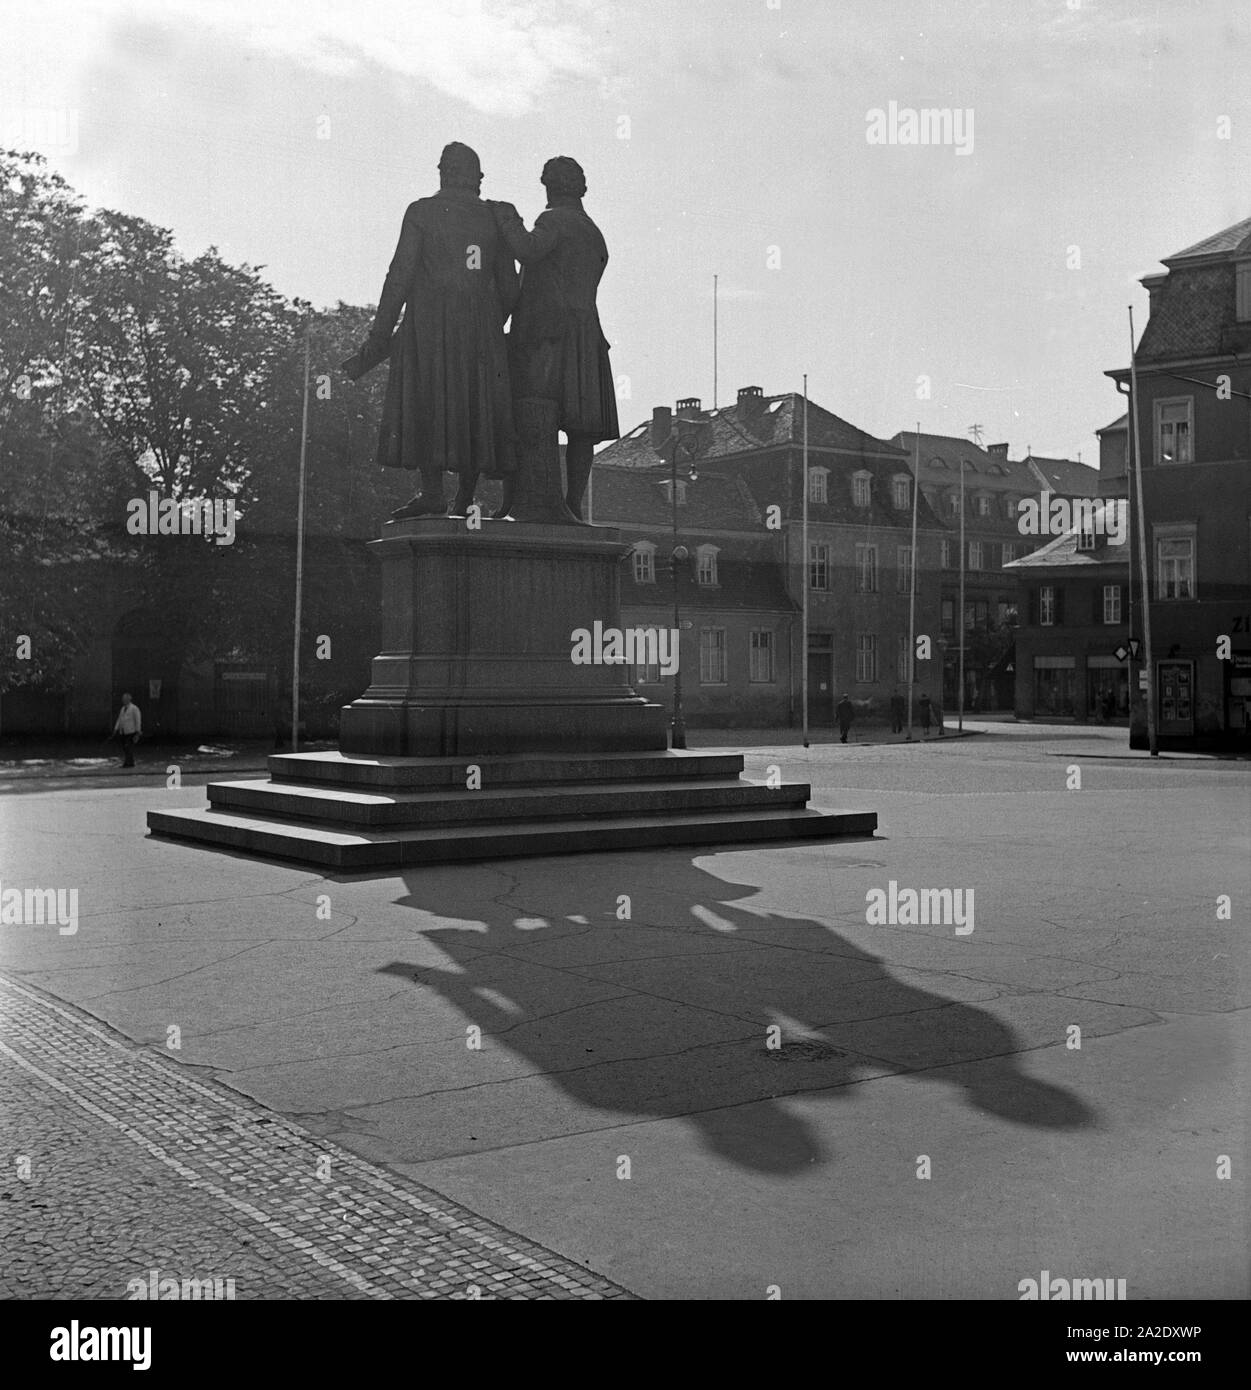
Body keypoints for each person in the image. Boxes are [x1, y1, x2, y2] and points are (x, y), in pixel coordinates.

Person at [345, 142, 519, 518]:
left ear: (442, 171)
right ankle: (464, 498)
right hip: (481, 327)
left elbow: (399, 277)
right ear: (478, 178)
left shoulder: (422, 211)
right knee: (473, 404)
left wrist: (378, 341)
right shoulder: (495, 218)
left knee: (430, 400)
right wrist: (489, 323)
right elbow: (509, 287)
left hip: (427, 325)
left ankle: (433, 492)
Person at [489, 156, 620, 521]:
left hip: (548, 336)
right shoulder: (593, 232)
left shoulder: (554, 220)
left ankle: (513, 501)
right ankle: (573, 504)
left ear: (549, 187)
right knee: (582, 427)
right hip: (586, 334)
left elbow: (527, 249)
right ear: (582, 188)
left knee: (529, 412)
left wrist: (507, 217)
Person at [112, 692, 142, 767]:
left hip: (131, 731)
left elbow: (138, 720)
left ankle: (129, 763)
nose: (124, 700)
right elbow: (119, 719)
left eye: (125, 699)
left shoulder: (134, 708)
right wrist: (116, 728)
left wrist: (138, 731)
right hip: (123, 731)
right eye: (123, 699)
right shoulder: (123, 708)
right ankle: (129, 762)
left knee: (128, 747)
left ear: (129, 699)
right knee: (125, 748)